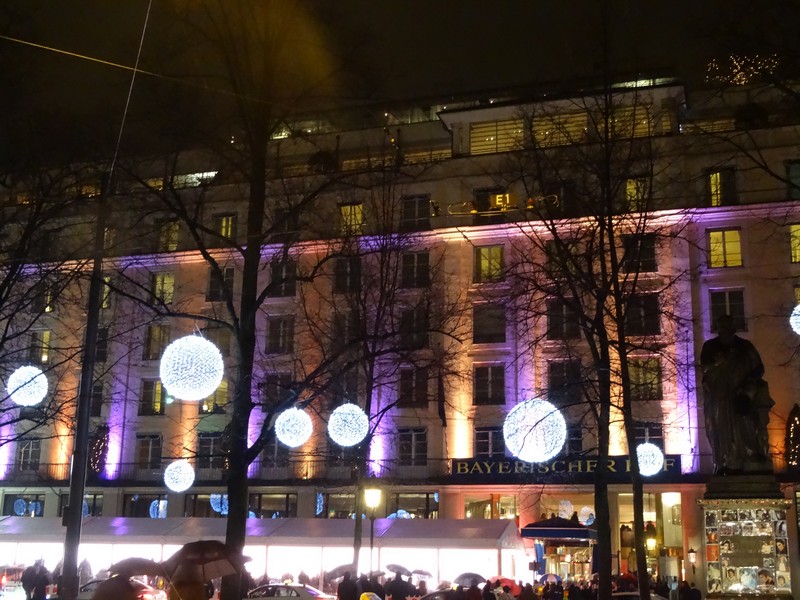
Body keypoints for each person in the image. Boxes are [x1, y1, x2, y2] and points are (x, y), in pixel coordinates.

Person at [701, 314, 775, 474]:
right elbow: (704, 369)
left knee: (745, 423)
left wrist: (749, 383)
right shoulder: (710, 347)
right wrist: (719, 362)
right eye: (721, 329)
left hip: (740, 393)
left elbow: (759, 368)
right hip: (720, 395)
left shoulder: (745, 346)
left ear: (732, 329)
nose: (724, 332)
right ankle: (726, 460)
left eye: (727, 329)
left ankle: (750, 456)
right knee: (722, 427)